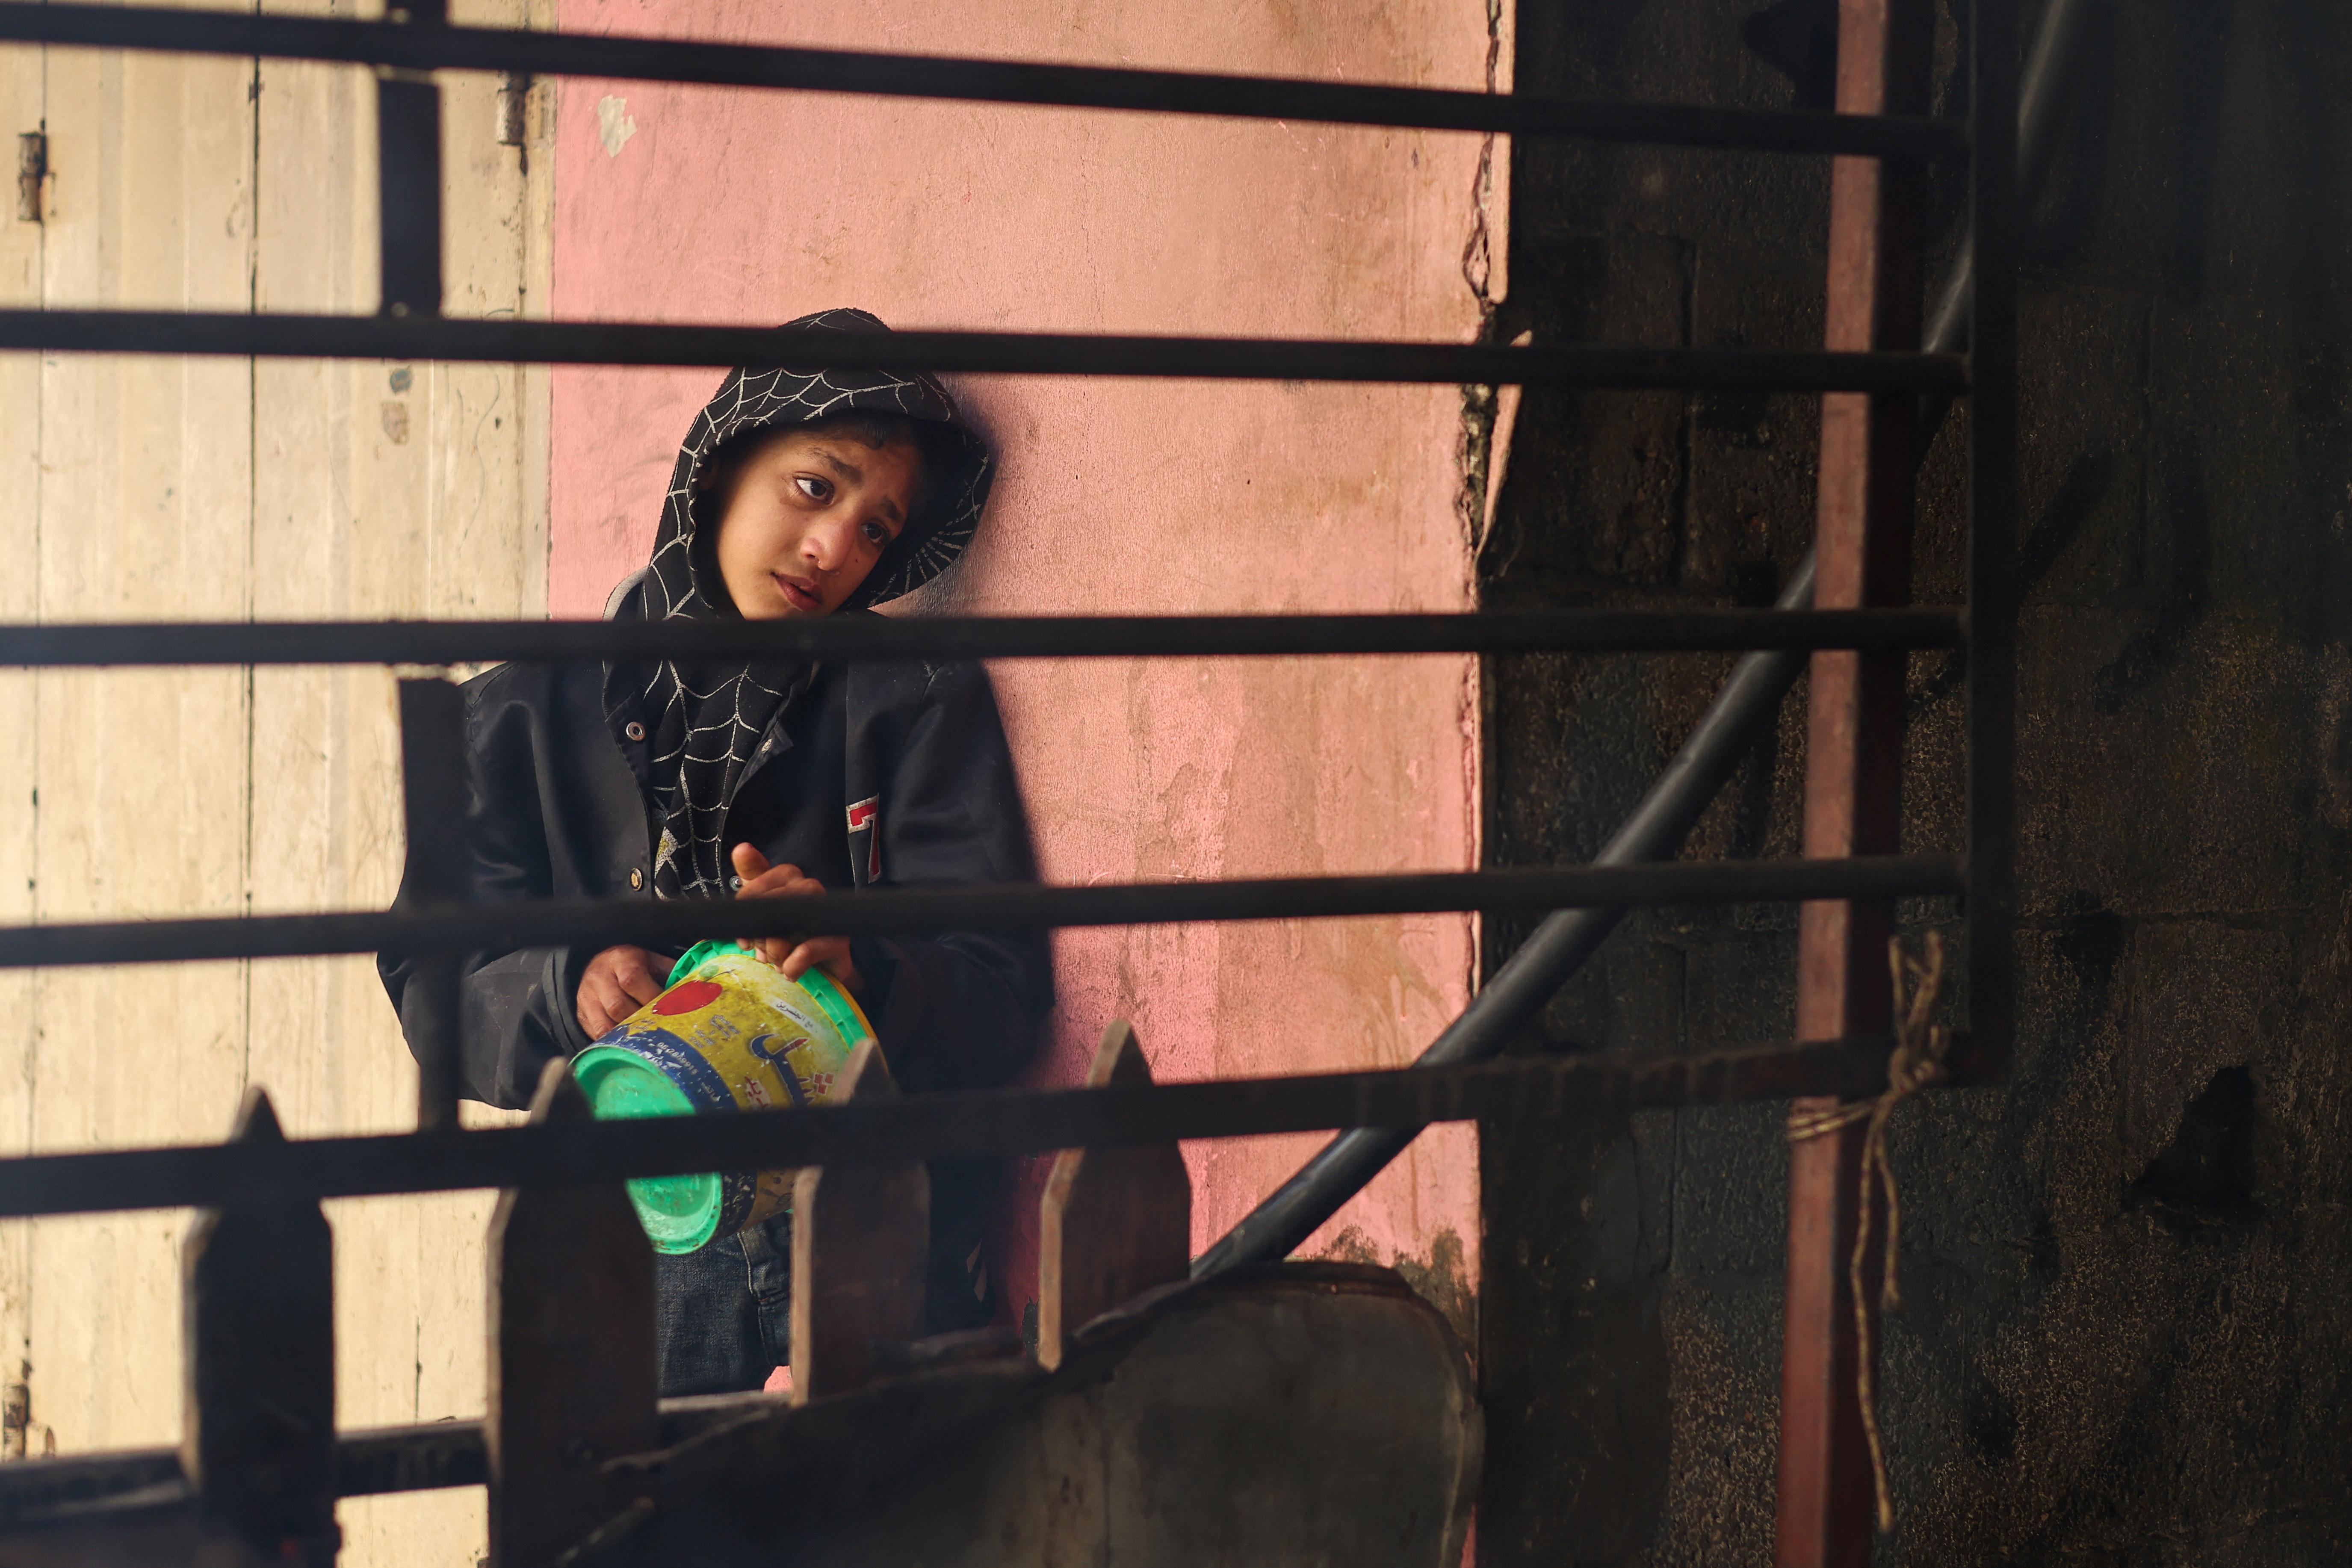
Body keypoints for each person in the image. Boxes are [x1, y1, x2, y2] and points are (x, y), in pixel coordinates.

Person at [378, 307, 1052, 1396]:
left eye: (879, 529)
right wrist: (569, 986)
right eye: (814, 488)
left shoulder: (914, 704)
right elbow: (432, 982)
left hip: (866, 1259)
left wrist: (864, 961)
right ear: (721, 462)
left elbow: (1004, 984)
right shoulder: (513, 719)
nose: (835, 549)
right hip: (622, 1252)